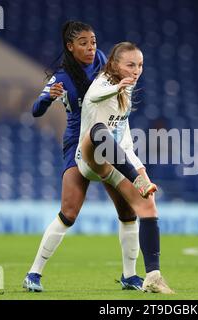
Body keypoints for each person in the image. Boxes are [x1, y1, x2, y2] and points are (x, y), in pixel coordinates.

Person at [23, 21, 144, 292]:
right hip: (79, 143)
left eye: (93, 42)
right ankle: (33, 274)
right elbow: (35, 110)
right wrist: (47, 99)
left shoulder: (102, 60)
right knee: (69, 212)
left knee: (128, 212)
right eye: (83, 44)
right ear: (70, 47)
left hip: (109, 139)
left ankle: (130, 276)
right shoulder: (61, 79)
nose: (91, 48)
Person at [75, 42, 174, 294]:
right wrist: (116, 88)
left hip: (116, 157)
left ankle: (153, 275)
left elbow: (123, 132)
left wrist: (137, 165)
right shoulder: (103, 82)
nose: (136, 70)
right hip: (89, 156)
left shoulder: (126, 88)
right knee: (99, 131)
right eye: (131, 65)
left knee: (148, 204)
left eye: (140, 65)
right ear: (115, 64)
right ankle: (134, 178)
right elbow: (93, 96)